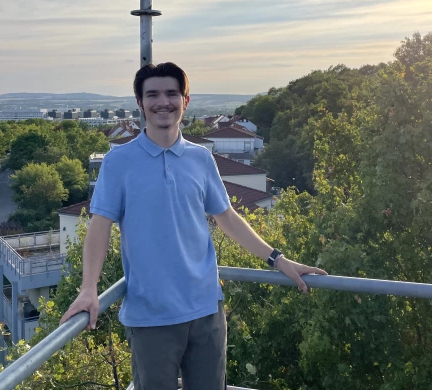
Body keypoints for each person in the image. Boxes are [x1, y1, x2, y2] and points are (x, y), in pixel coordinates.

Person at [60, 62, 327, 390]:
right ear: (140, 102)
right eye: (153, 94)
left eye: (172, 93)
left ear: (185, 101)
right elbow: (99, 226)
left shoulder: (201, 159)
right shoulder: (119, 162)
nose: (163, 102)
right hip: (151, 317)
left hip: (206, 311)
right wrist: (88, 289)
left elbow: (227, 217)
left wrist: (279, 260)